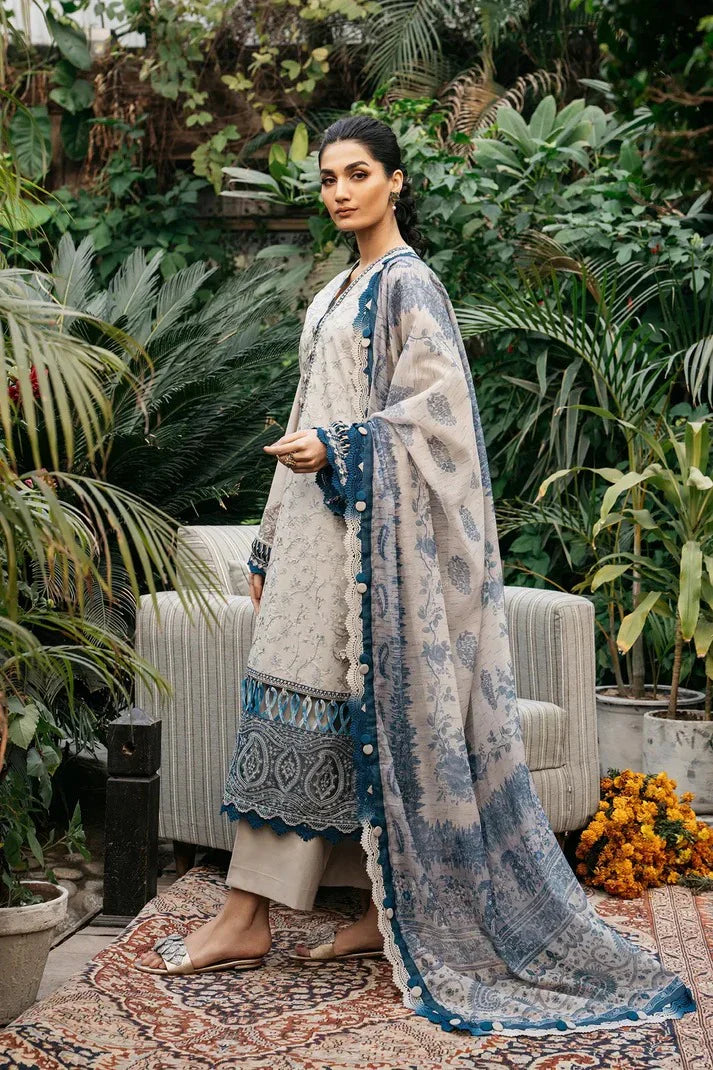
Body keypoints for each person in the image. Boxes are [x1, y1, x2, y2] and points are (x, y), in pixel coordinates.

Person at [135, 116, 697, 1039]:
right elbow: (304, 411)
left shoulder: (408, 286)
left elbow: (437, 429)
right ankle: (287, 915)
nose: (340, 192)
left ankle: (302, 914)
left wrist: (345, 447)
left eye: (358, 175)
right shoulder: (336, 291)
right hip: (317, 546)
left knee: (361, 718)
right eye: (326, 179)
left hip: (374, 554)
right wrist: (270, 547)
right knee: (295, 717)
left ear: (395, 183)